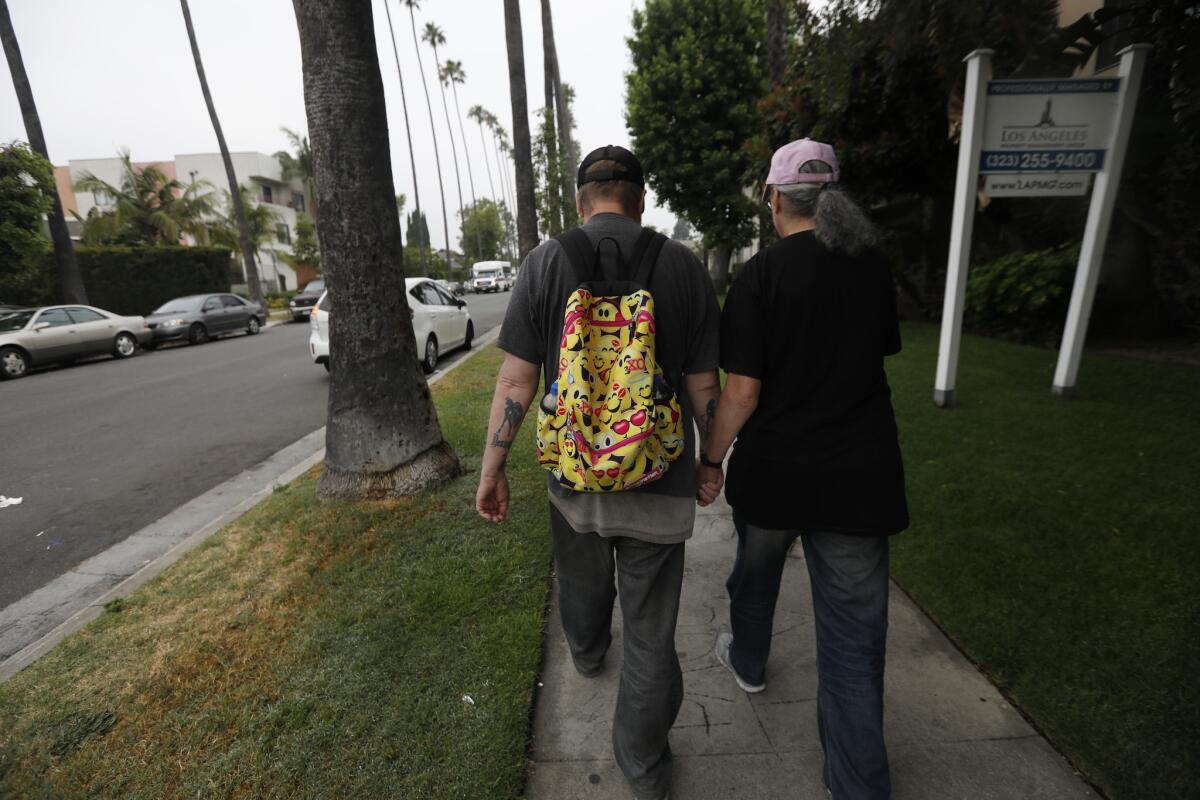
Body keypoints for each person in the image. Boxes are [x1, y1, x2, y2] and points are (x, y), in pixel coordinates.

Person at [476, 145, 722, 800]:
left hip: (575, 484)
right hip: (660, 484)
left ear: (581, 202)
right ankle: (643, 769)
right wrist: (711, 460)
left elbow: (516, 379)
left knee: (583, 586)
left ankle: (586, 652)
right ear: (640, 200)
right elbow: (704, 384)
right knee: (650, 635)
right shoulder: (682, 267)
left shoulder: (544, 264)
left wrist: (492, 468)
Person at [696, 138, 909, 800]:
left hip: (776, 474)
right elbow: (880, 353)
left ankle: (750, 660)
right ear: (834, 196)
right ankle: (859, 786)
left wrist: (710, 459)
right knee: (853, 646)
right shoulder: (872, 267)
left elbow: (742, 392)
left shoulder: (760, 277)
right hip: (859, 478)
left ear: (775, 198)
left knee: (754, 579)